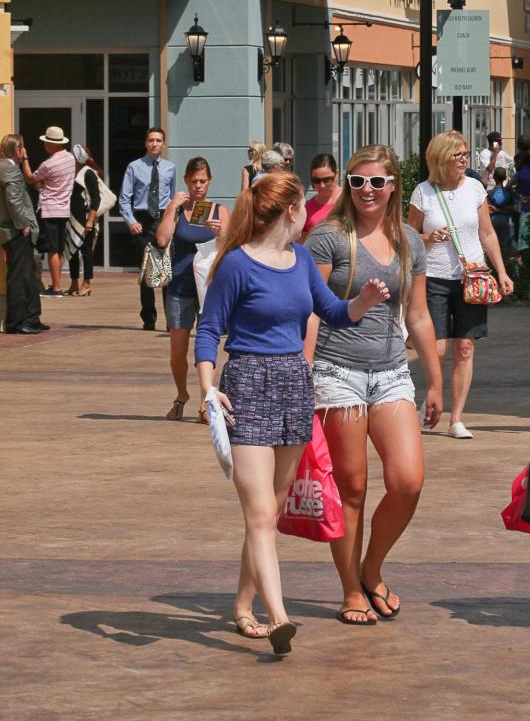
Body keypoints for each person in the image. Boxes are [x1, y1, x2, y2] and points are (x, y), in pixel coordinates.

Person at [195, 171, 389, 654]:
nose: (309, 212)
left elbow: (333, 313)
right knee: (260, 512)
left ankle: (243, 607)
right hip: (248, 385)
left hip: (294, 385)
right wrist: (207, 387)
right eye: (304, 204)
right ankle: (278, 617)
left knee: (267, 512)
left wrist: (362, 301)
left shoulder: (301, 260)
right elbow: (208, 330)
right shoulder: (236, 265)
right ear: (290, 211)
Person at [305, 145, 443, 624]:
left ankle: (371, 566)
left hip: (390, 372)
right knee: (354, 487)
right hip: (335, 372)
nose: (367, 190)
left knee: (407, 481)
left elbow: (419, 315)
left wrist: (434, 381)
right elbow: (309, 310)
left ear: (393, 187)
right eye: (358, 181)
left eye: (377, 182)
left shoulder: (410, 241)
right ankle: (350, 589)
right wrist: (304, 373)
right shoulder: (328, 238)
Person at [408, 130, 513, 439]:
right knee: (436, 349)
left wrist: (502, 271)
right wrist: (428, 238)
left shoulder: (475, 189)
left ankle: (456, 418)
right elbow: (410, 235)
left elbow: (487, 233)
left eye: (466, 153)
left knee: (464, 347)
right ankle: (432, 398)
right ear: (441, 159)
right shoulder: (423, 193)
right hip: (434, 277)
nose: (465, 158)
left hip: (473, 276)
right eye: (459, 155)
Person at [155, 156, 228, 422]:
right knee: (177, 352)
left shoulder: (219, 210)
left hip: (209, 289)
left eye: (203, 181)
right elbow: (162, 239)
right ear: (186, 181)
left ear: (210, 182)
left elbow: (232, 246)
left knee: (206, 350)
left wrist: (221, 232)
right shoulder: (179, 210)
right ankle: (181, 394)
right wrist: (172, 207)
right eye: (194, 181)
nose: (198, 186)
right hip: (180, 286)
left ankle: (203, 403)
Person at [119, 127, 176, 330]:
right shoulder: (134, 167)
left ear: (163, 143)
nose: (154, 144)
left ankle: (171, 319)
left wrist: (172, 219)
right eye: (151, 140)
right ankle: (148, 318)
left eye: (158, 140)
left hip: (162, 218)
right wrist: (131, 221)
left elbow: (172, 198)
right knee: (146, 272)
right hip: (142, 221)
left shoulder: (170, 168)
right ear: (146, 143)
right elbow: (124, 199)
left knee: (165, 270)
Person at [0, 133, 46, 334]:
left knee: (28, 274)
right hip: (15, 231)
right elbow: (14, 201)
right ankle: (17, 322)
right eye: (23, 148)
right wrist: (23, 224)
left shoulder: (8, 168)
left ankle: (32, 317)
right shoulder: (10, 171)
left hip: (13, 229)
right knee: (19, 275)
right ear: (18, 150)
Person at [23, 124, 75, 298]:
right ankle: (56, 283)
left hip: (50, 209)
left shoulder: (49, 163)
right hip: (64, 208)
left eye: (46, 142)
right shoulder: (70, 158)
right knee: (59, 249)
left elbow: (31, 178)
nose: (44, 145)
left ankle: (57, 288)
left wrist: (25, 160)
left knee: (52, 250)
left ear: (52, 144)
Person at [65, 144, 106, 297]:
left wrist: (91, 219)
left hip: (86, 219)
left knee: (86, 252)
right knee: (72, 250)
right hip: (73, 218)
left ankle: (87, 283)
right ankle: (74, 282)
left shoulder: (88, 173)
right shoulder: (73, 172)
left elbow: (96, 198)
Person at [511, 141, 530, 251]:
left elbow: (508, 186)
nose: (515, 164)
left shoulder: (521, 173)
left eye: (516, 162)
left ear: (520, 162)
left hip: (526, 209)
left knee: (524, 242)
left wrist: (518, 197)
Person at [303, 153, 341, 235]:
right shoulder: (306, 208)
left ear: (336, 174)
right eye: (316, 180)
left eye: (327, 180)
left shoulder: (349, 199)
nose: (322, 186)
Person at [486, 167, 516, 262]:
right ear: (505, 177)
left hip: (493, 221)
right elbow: (512, 209)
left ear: (494, 178)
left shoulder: (489, 193)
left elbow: (489, 209)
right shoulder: (510, 193)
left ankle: (492, 264)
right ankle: (506, 266)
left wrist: (496, 210)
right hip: (505, 221)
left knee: (492, 244)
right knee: (505, 245)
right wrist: (502, 210)